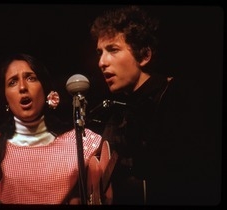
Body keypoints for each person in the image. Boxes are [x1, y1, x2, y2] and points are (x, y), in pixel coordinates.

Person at [89, 5, 217, 205]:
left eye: (113, 50)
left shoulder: (178, 95)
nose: (102, 62)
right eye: (100, 53)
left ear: (144, 55)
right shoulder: (116, 116)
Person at [0, 53, 112, 204]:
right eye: (12, 82)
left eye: (31, 78)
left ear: (46, 90)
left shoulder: (80, 141)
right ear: (5, 98)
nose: (23, 87)